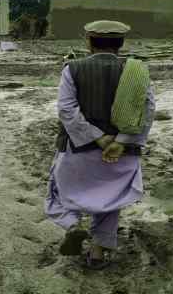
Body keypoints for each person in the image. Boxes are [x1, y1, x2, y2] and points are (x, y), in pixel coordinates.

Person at [45, 20, 155, 270]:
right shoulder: (137, 70)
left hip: (78, 149)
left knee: (57, 191)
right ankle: (96, 254)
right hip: (121, 153)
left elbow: (67, 109)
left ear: (89, 41)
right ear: (121, 43)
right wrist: (121, 141)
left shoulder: (72, 68)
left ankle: (73, 225)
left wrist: (96, 136)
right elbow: (147, 111)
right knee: (110, 201)